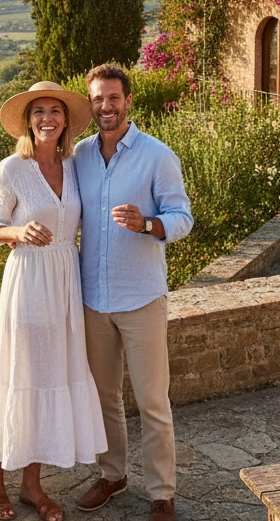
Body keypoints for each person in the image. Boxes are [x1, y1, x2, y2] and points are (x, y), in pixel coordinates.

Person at [0, 81, 108, 521]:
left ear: (66, 120)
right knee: (23, 376)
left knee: (51, 373)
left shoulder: (75, 166)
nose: (47, 118)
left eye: (55, 110)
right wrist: (17, 232)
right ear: (28, 122)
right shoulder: (11, 169)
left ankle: (32, 484)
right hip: (29, 283)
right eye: (38, 112)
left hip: (66, 286)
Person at [73, 64, 193, 521]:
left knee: (152, 402)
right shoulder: (79, 156)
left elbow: (182, 217)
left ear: (128, 101)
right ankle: (112, 474)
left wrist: (146, 223)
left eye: (113, 98)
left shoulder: (157, 156)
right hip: (93, 300)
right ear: (91, 103)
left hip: (142, 298)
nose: (106, 106)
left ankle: (161, 492)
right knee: (104, 397)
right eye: (98, 99)